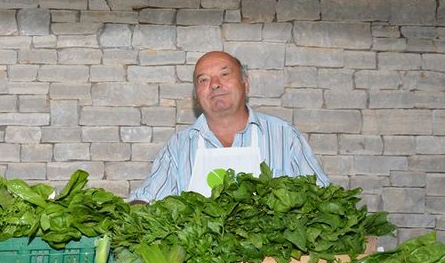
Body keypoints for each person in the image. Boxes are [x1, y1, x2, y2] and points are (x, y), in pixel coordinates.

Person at [129, 51, 330, 203]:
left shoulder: (284, 136)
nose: (215, 84)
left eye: (225, 75)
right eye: (203, 80)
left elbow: (322, 196)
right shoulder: (178, 146)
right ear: (196, 96)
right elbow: (147, 199)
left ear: (245, 84)